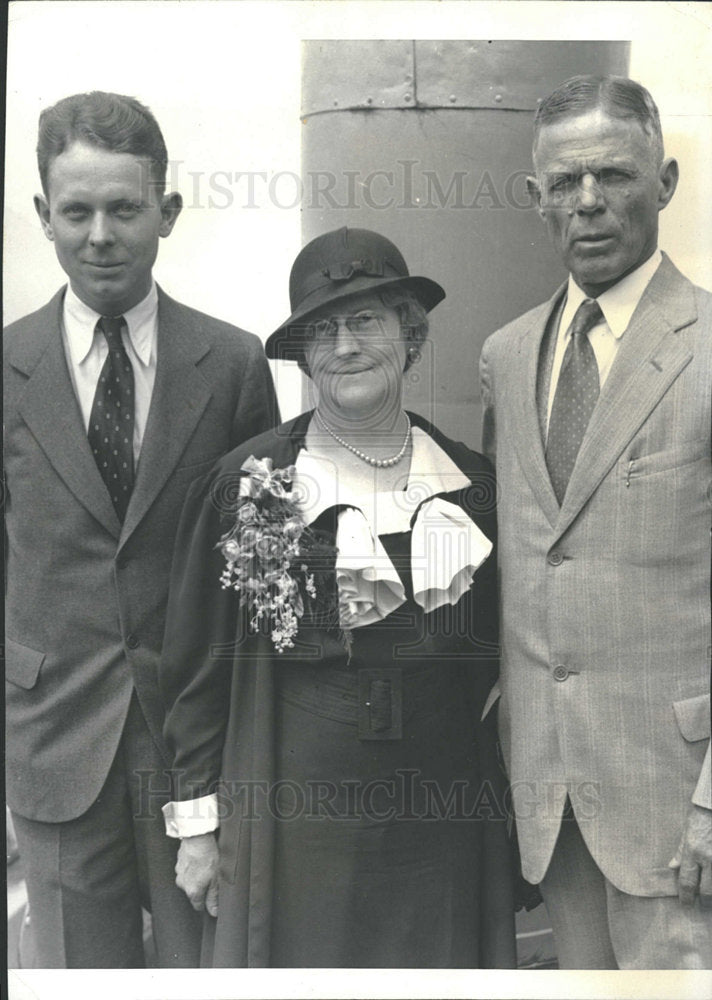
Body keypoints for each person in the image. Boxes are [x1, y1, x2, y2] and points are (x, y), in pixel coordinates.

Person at [159, 226, 517, 968]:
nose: (346, 346)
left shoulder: (471, 486)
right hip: (296, 820)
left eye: (366, 321)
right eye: (323, 330)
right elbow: (196, 668)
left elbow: (494, 661)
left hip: (439, 815)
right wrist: (197, 829)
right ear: (303, 354)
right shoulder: (250, 485)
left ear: (409, 336)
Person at [4, 91, 278, 968]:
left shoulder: (232, 363)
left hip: (195, 748)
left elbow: (257, 573)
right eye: (76, 212)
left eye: (124, 209)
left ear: (168, 211)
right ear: (43, 214)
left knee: (210, 970)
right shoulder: (8, 369)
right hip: (53, 742)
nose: (100, 236)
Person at [479, 75, 711, 969]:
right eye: (564, 182)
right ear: (534, 196)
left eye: (614, 174)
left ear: (666, 181)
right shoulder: (507, 355)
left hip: (679, 811)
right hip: (554, 809)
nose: (588, 201)